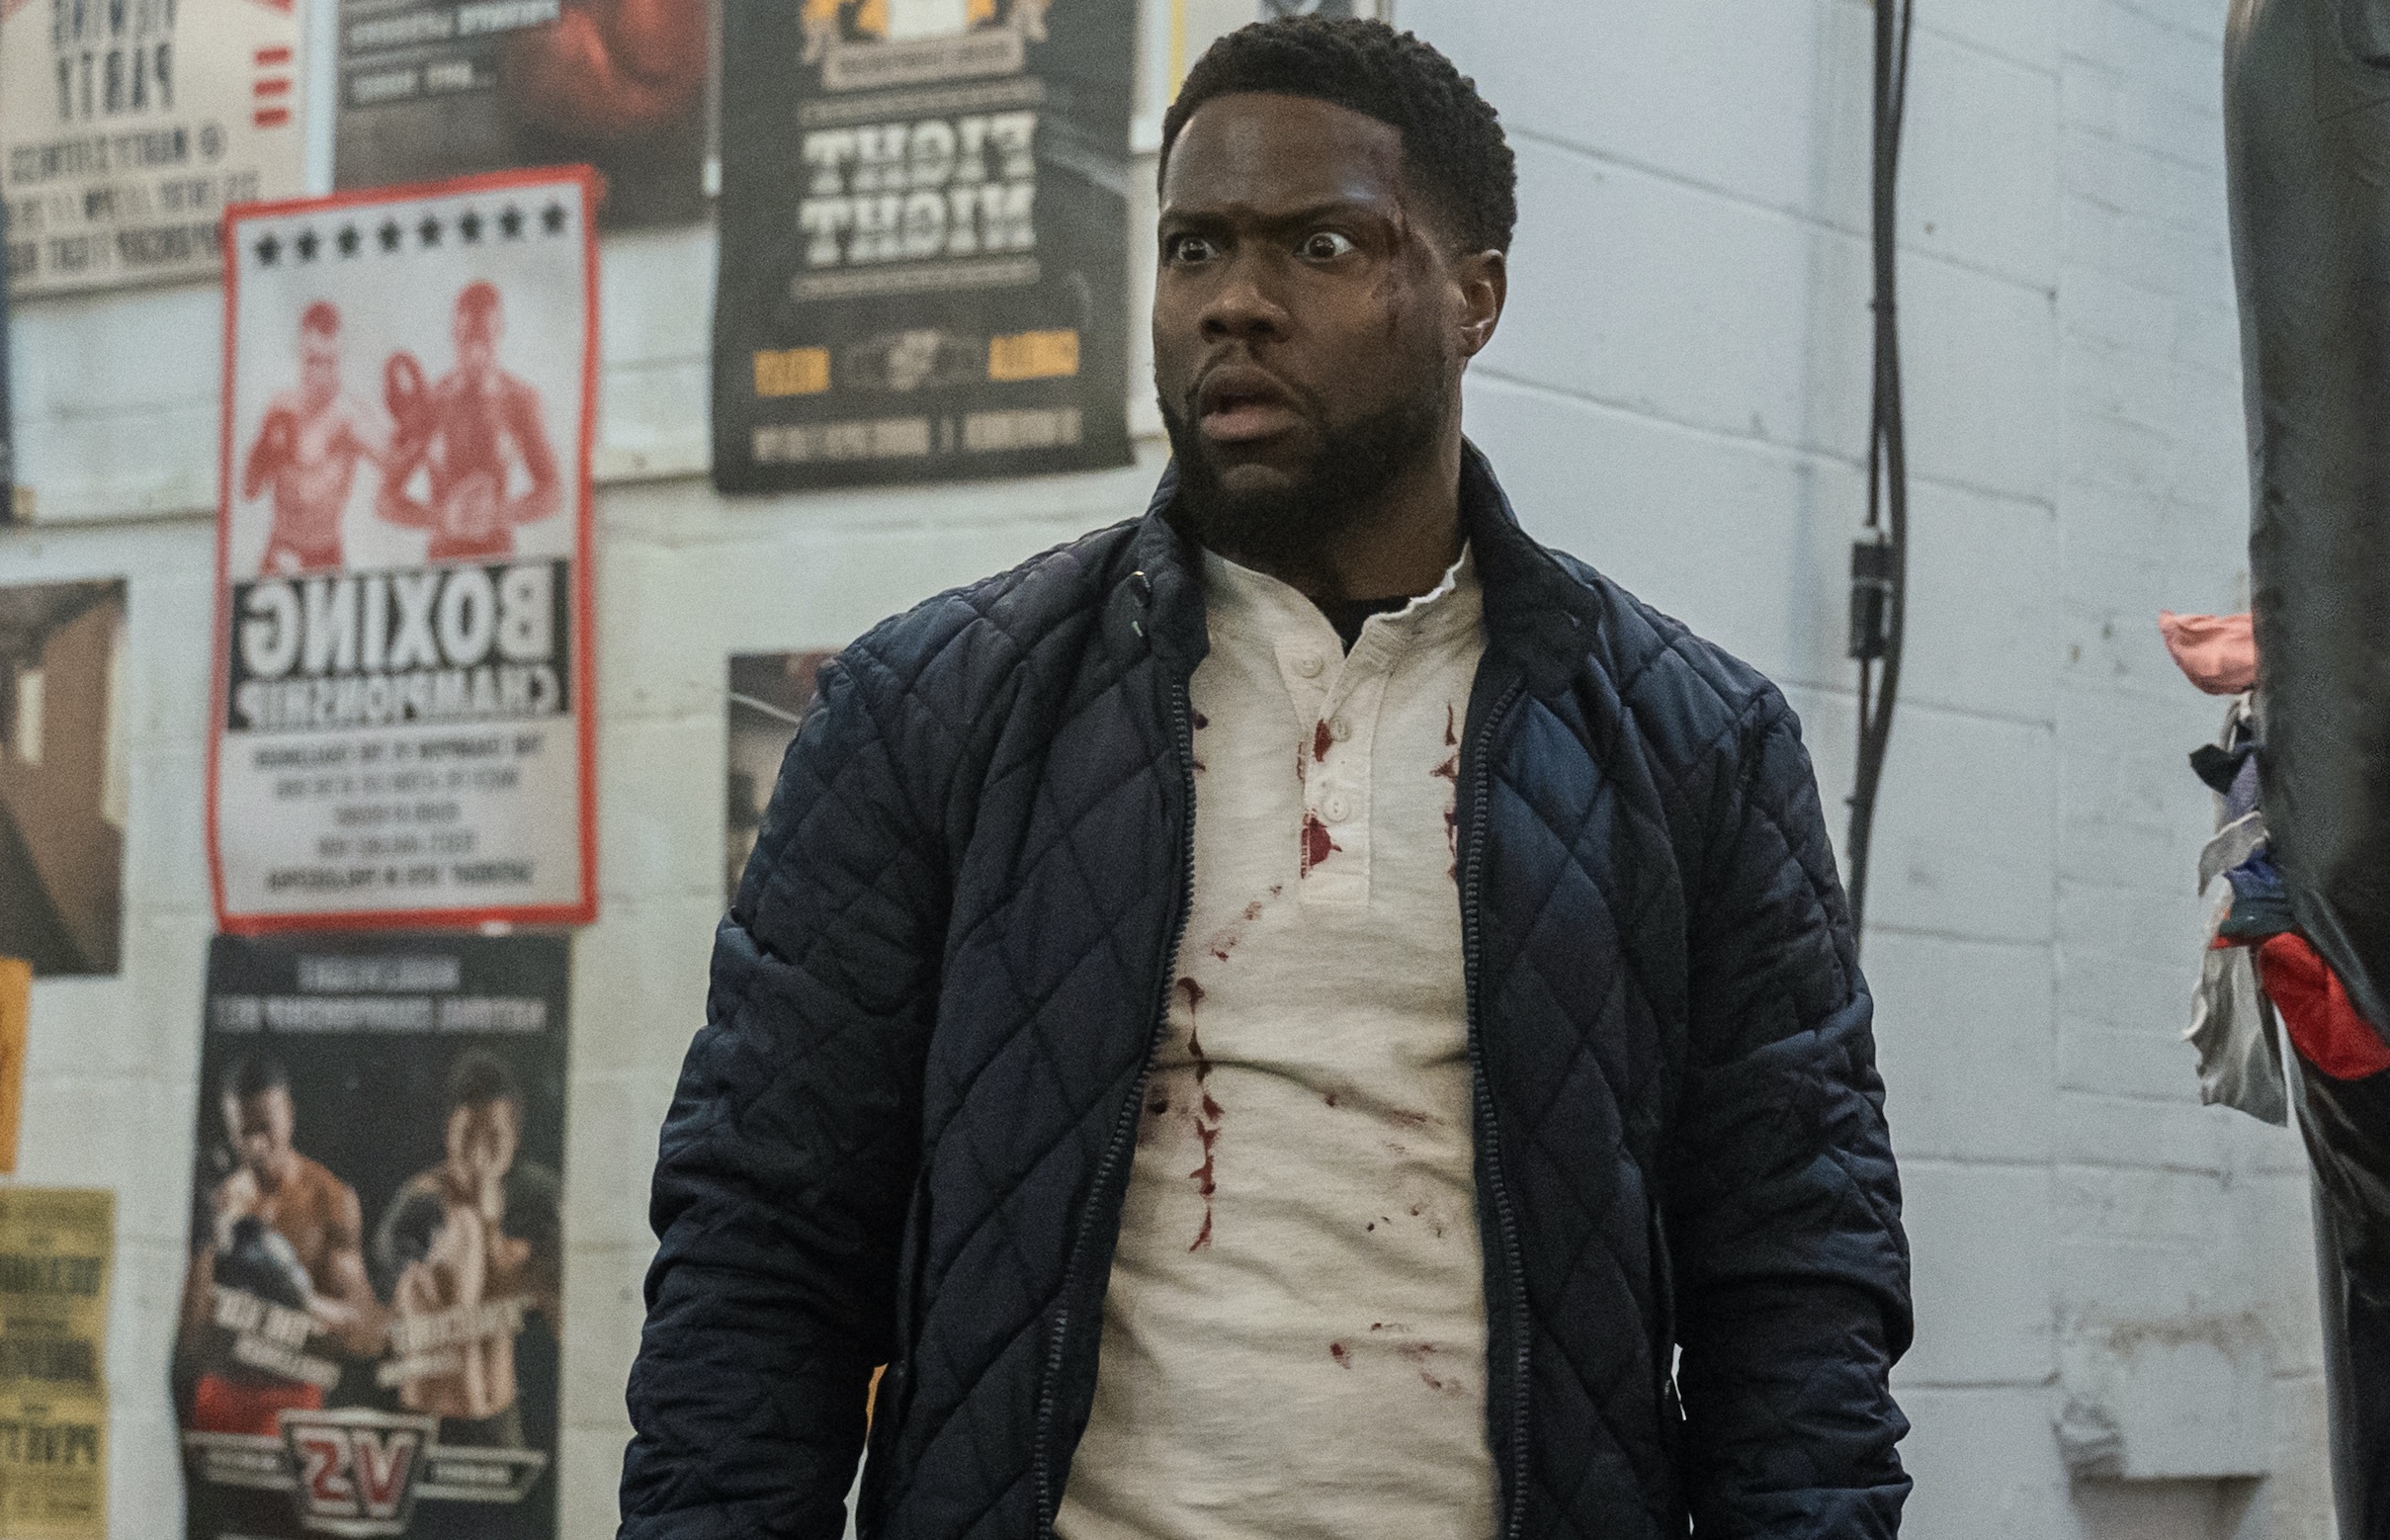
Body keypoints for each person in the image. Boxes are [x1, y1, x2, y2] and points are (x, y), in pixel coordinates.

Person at [621, 18, 1912, 1539]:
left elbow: (1796, 1279)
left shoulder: (1691, 745)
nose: (1233, 300)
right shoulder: (933, 710)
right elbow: (760, 1242)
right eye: (1193, 248)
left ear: (1473, 296)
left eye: (1318, 243)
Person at [175, 1053, 381, 1436]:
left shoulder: (330, 1200)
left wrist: (299, 1298)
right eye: (244, 1132)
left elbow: (364, 1334)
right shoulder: (219, 1203)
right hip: (222, 1392)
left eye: (266, 1128)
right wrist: (203, 1246)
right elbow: (192, 1338)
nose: (257, 1144)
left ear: (289, 1114)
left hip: (292, 1396)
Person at [376, 1049, 561, 1450]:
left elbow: (548, 1303)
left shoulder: (537, 1198)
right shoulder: (417, 1203)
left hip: (497, 1411)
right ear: (448, 1132)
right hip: (426, 1413)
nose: (478, 1154)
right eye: (466, 1137)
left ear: (514, 1136)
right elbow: (401, 1312)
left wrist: (489, 1220)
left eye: (493, 1137)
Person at [376, 281, 562, 564]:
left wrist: (498, 514)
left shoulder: (520, 401)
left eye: (484, 339)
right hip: (441, 561)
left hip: (499, 560)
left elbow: (553, 492)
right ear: (454, 334)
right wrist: (442, 517)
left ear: (500, 333)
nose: (476, 352)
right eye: (466, 339)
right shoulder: (431, 403)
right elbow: (386, 500)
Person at [241, 300, 391, 575]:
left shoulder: (351, 417)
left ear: (340, 357)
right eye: (313, 361)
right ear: (300, 353)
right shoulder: (281, 408)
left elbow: (396, 464)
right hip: (280, 550)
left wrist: (402, 420)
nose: (320, 373)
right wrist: (264, 450)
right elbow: (249, 490)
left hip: (326, 556)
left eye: (329, 362)